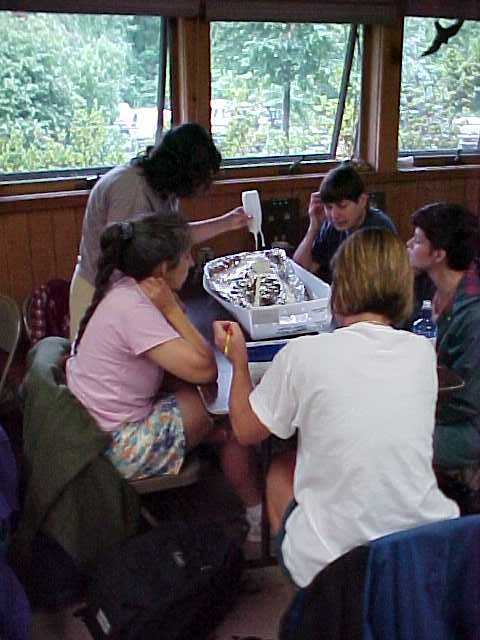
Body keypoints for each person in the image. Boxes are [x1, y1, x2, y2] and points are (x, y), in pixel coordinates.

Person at [215, 227, 459, 588]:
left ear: (338, 287)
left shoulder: (303, 354)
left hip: (335, 565)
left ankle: (314, 593)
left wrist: (237, 360)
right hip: (422, 543)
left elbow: (246, 431)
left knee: (280, 471)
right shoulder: (421, 353)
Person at [66, 212, 262, 537]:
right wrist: (172, 310)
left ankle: (242, 495)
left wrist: (172, 308)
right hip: (114, 446)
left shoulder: (128, 287)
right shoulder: (135, 309)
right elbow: (205, 369)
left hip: (93, 425)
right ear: (161, 270)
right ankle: (257, 519)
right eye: (186, 255)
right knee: (226, 415)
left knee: (203, 398)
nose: (192, 260)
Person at [70, 122, 250, 338]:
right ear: (183, 171)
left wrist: (228, 222)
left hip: (127, 295)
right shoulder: (131, 190)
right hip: (100, 294)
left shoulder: (163, 188)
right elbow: (126, 260)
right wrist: (170, 304)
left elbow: (173, 238)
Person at [407, 203, 480, 484]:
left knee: (389, 437)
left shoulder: (473, 313)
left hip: (466, 426)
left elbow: (467, 401)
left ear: (439, 254)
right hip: (432, 406)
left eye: (418, 240)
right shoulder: (425, 285)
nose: (409, 245)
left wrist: (411, 409)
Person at [293, 162, 395, 283]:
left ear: (362, 201)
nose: (334, 215)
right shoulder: (331, 225)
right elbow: (301, 270)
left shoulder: (377, 229)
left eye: (342, 206)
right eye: (329, 207)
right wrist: (313, 227)